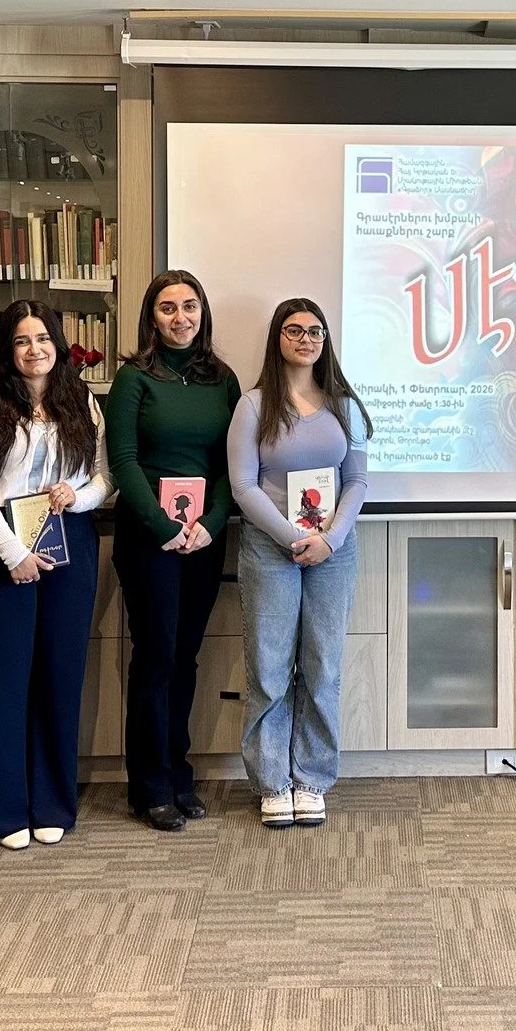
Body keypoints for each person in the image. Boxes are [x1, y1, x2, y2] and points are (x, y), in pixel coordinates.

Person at [0, 299, 113, 849]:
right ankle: (1, 813)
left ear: (58, 344)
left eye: (43, 338)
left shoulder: (82, 400)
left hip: (68, 540)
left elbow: (104, 478)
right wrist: (10, 551)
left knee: (58, 675)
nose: (34, 349)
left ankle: (51, 803)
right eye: (22, 340)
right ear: (7, 349)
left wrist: (78, 496)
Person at [227, 298, 371, 829]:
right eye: (294, 330)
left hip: (333, 551)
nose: (306, 339)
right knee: (269, 668)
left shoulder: (344, 405)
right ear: (278, 338)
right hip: (271, 549)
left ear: (325, 340)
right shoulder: (253, 405)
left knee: (323, 667)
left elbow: (357, 480)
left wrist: (330, 539)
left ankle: (311, 779)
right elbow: (243, 485)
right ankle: (273, 783)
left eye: (315, 331)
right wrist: (293, 538)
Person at [106, 269, 240, 832]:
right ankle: (150, 783)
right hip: (149, 538)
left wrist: (210, 523)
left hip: (204, 538)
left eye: (189, 306)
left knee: (186, 656)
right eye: (167, 308)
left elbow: (234, 464)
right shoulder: (133, 378)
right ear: (151, 317)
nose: (180, 317)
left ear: (202, 313)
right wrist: (163, 526)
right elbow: (123, 461)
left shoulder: (223, 380)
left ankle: (179, 772)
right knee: (156, 655)